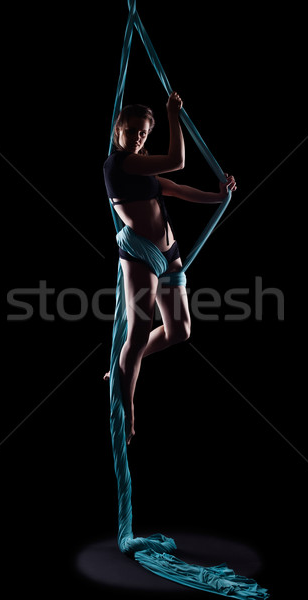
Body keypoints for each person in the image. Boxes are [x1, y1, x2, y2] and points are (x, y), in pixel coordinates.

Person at [103, 92, 237, 444]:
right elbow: (177, 161)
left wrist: (220, 196)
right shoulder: (117, 165)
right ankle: (127, 406)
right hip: (141, 254)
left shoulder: (142, 170)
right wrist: (172, 115)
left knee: (180, 331)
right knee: (138, 332)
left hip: (170, 254)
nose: (137, 138)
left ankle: (122, 369)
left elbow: (176, 188)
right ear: (119, 130)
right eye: (132, 131)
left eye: (144, 133)